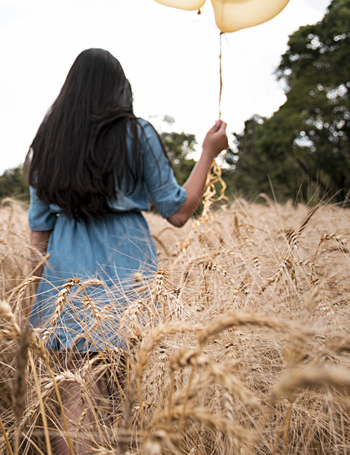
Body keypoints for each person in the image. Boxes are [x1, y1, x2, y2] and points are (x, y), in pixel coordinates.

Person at [25, 48, 228, 453]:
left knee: (75, 401)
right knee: (127, 402)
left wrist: (41, 297)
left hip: (64, 278)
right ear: (120, 88)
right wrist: (208, 152)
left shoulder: (48, 141)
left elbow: (38, 236)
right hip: (128, 275)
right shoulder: (138, 133)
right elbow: (179, 211)